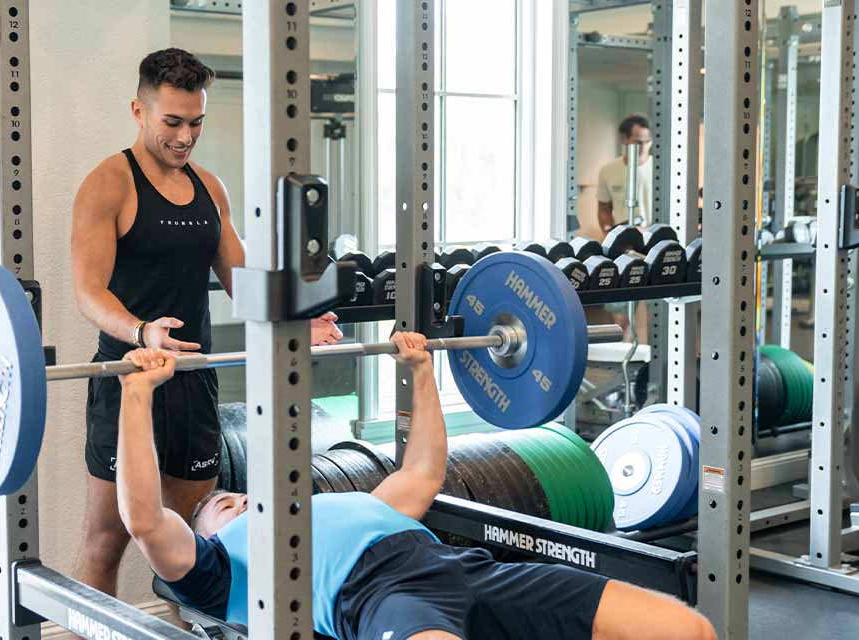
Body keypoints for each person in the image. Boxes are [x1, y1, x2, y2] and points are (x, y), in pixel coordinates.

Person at [114, 336, 717, 640]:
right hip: (376, 596)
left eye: (241, 495)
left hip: (469, 570)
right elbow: (144, 518)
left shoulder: (352, 505)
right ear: (208, 537)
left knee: (689, 630)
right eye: (224, 505)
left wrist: (423, 373)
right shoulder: (220, 566)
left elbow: (422, 473)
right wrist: (137, 395)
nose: (241, 500)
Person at [70, 47, 344, 597]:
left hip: (194, 382)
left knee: (197, 549)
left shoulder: (209, 188)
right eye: (172, 122)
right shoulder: (109, 184)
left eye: (195, 122)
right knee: (107, 540)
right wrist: (141, 332)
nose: (184, 136)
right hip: (131, 382)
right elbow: (88, 292)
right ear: (139, 111)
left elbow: (242, 279)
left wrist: (295, 321)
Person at [593, 114, 652, 342]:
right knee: (619, 313)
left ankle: (649, 359)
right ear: (625, 140)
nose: (644, 146)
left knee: (652, 310)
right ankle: (621, 353)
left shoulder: (660, 170)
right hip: (623, 247)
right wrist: (609, 232)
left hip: (652, 245)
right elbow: (604, 207)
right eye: (638, 141)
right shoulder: (609, 171)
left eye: (647, 141)